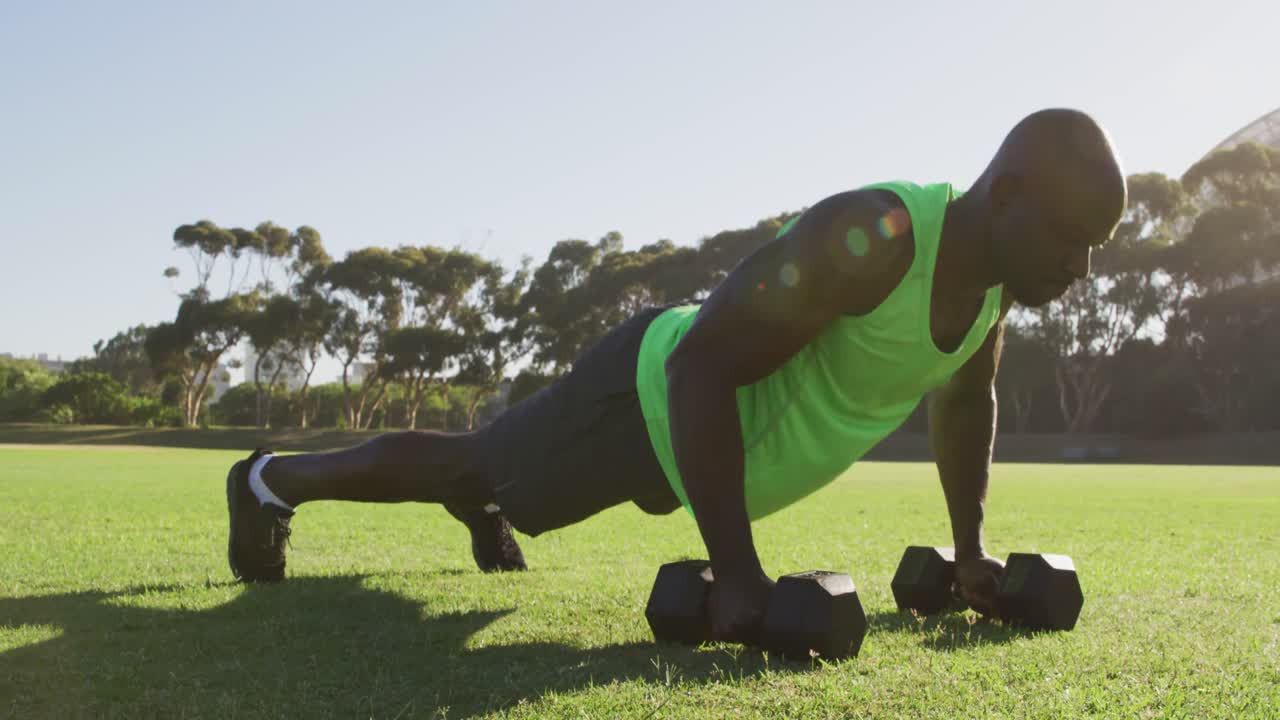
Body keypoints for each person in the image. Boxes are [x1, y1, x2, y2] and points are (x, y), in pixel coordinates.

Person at [225, 108, 1127, 642]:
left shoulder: (992, 299)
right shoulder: (876, 236)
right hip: (648, 402)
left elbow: (969, 402)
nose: (1080, 271)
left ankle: (493, 497)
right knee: (478, 463)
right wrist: (737, 572)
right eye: (1071, 240)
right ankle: (270, 480)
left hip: (696, 457)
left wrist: (968, 550)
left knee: (510, 477)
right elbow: (702, 363)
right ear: (1005, 196)